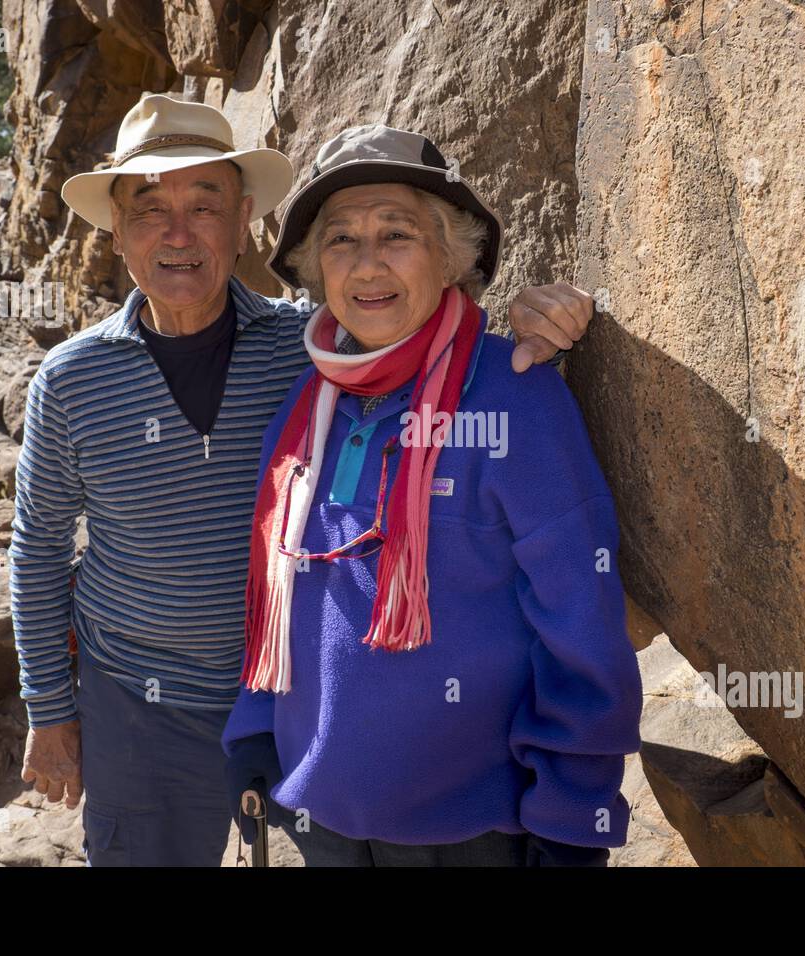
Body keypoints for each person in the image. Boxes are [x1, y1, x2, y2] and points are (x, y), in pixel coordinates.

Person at [11, 94, 598, 866]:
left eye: (205, 203)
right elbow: (38, 550)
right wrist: (49, 711)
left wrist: (539, 318)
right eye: (149, 208)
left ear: (244, 218)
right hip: (138, 700)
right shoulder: (72, 378)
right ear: (116, 231)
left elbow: (432, 331)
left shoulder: (314, 349)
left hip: (301, 703)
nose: (179, 233)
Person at [222, 124, 643, 867]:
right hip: (321, 815)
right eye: (342, 240)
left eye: (397, 234)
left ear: (452, 257)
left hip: (472, 833)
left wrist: (576, 817)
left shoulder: (514, 394)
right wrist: (254, 726)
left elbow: (581, 620)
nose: (368, 262)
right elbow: (280, 589)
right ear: (318, 271)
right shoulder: (303, 410)